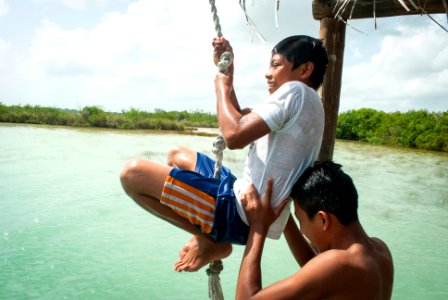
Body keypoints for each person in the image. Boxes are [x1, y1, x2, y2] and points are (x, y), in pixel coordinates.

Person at [119, 35, 328, 272]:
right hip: (243, 197)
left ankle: (211, 240)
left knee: (132, 175)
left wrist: (220, 84)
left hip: (240, 214)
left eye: (276, 65)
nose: (268, 73)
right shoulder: (310, 105)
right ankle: (209, 235)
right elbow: (238, 117)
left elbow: (234, 135)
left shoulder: (295, 91)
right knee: (177, 155)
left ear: (305, 70)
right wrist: (228, 72)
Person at [237, 161, 394, 300]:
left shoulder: (340, 264)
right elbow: (315, 266)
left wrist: (258, 227)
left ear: (323, 219)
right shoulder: (380, 251)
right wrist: (284, 215)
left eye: (300, 220)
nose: (302, 230)